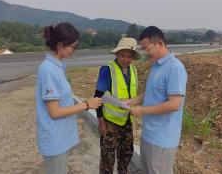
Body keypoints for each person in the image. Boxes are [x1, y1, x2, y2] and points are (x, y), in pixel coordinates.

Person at [35, 22, 102, 174]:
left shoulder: (57, 66)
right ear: (61, 45)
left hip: (61, 135)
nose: (74, 50)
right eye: (73, 46)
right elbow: (55, 112)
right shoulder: (48, 69)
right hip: (54, 137)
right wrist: (86, 104)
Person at [127, 26, 188, 174]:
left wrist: (142, 110)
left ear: (159, 43)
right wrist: (133, 100)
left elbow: (174, 104)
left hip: (162, 139)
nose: (145, 53)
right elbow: (151, 92)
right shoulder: (156, 66)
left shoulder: (175, 68)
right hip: (149, 134)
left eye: (146, 48)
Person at [94, 37, 142, 174]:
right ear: (117, 54)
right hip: (110, 123)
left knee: (126, 155)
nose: (126, 59)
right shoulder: (107, 70)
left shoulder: (133, 70)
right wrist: (101, 121)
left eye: (129, 57)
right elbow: (97, 97)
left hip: (127, 121)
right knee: (107, 158)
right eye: (123, 56)